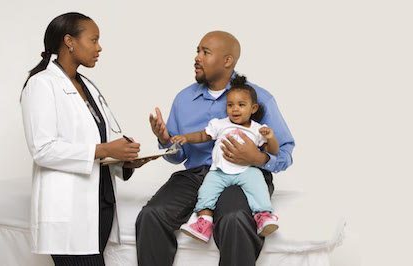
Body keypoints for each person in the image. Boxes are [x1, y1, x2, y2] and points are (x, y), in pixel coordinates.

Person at [136, 31, 295, 266]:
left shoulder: (257, 98)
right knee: (151, 215)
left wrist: (258, 157)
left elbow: (284, 151)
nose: (197, 58)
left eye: (205, 52)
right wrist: (165, 139)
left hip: (244, 174)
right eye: (197, 51)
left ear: (227, 61)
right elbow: (177, 156)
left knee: (235, 219)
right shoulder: (184, 99)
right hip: (197, 175)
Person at [21, 12, 153, 265]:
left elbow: (99, 141)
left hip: (100, 204)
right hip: (69, 211)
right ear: (69, 41)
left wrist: (123, 159)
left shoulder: (87, 86)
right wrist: (105, 148)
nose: (99, 47)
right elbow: (43, 150)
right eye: (93, 40)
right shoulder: (42, 84)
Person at [172, 75, 280, 242]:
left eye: (241, 105)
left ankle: (263, 216)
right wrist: (186, 138)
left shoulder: (258, 129)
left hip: (246, 171)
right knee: (206, 191)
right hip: (219, 172)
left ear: (253, 108)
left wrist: (271, 137)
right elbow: (203, 135)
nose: (235, 109)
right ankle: (204, 222)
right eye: (230, 105)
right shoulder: (220, 124)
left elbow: (272, 151)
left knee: (258, 185)